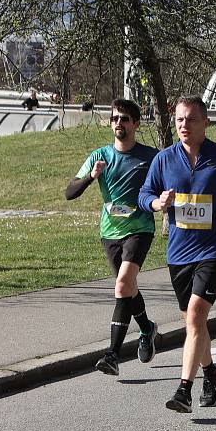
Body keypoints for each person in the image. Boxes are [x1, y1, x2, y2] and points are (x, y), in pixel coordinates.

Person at [139, 96, 216, 413]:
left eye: (190, 119)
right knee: (195, 322)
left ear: (206, 121)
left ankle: (183, 390)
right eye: (179, 120)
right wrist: (156, 203)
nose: (183, 125)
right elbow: (144, 194)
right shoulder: (164, 160)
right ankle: (211, 373)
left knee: (194, 316)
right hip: (178, 252)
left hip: (215, 248)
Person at [65, 99, 159, 376]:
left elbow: (168, 183)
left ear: (136, 124)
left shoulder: (150, 156)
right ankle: (147, 329)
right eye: (115, 118)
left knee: (122, 285)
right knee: (127, 288)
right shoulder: (99, 156)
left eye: (126, 118)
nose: (119, 122)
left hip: (140, 228)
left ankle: (112, 355)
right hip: (110, 232)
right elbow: (69, 193)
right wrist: (91, 177)